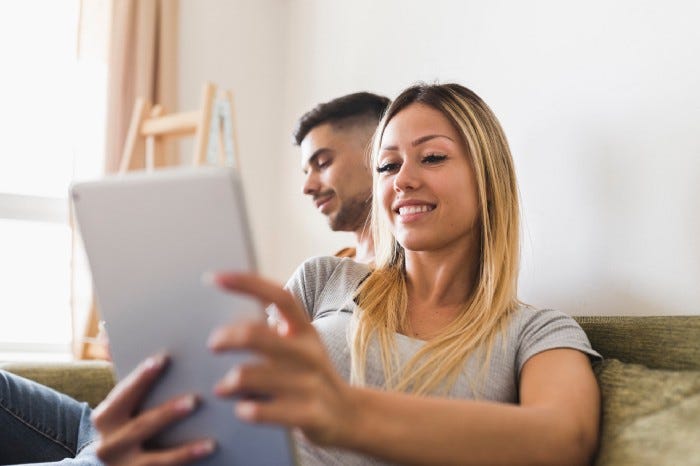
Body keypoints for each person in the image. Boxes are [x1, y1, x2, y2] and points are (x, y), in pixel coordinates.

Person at [0, 83, 601, 465]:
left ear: (489, 174)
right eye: (388, 164)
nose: (402, 179)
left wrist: (347, 414)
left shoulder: (537, 332)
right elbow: (231, 388)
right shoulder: (325, 281)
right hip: (155, 446)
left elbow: (562, 439)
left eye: (433, 157)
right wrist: (163, 357)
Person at [294, 92, 390, 263]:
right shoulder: (325, 272)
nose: (307, 187)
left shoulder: (426, 268)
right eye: (307, 172)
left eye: (322, 163)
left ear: (377, 154)